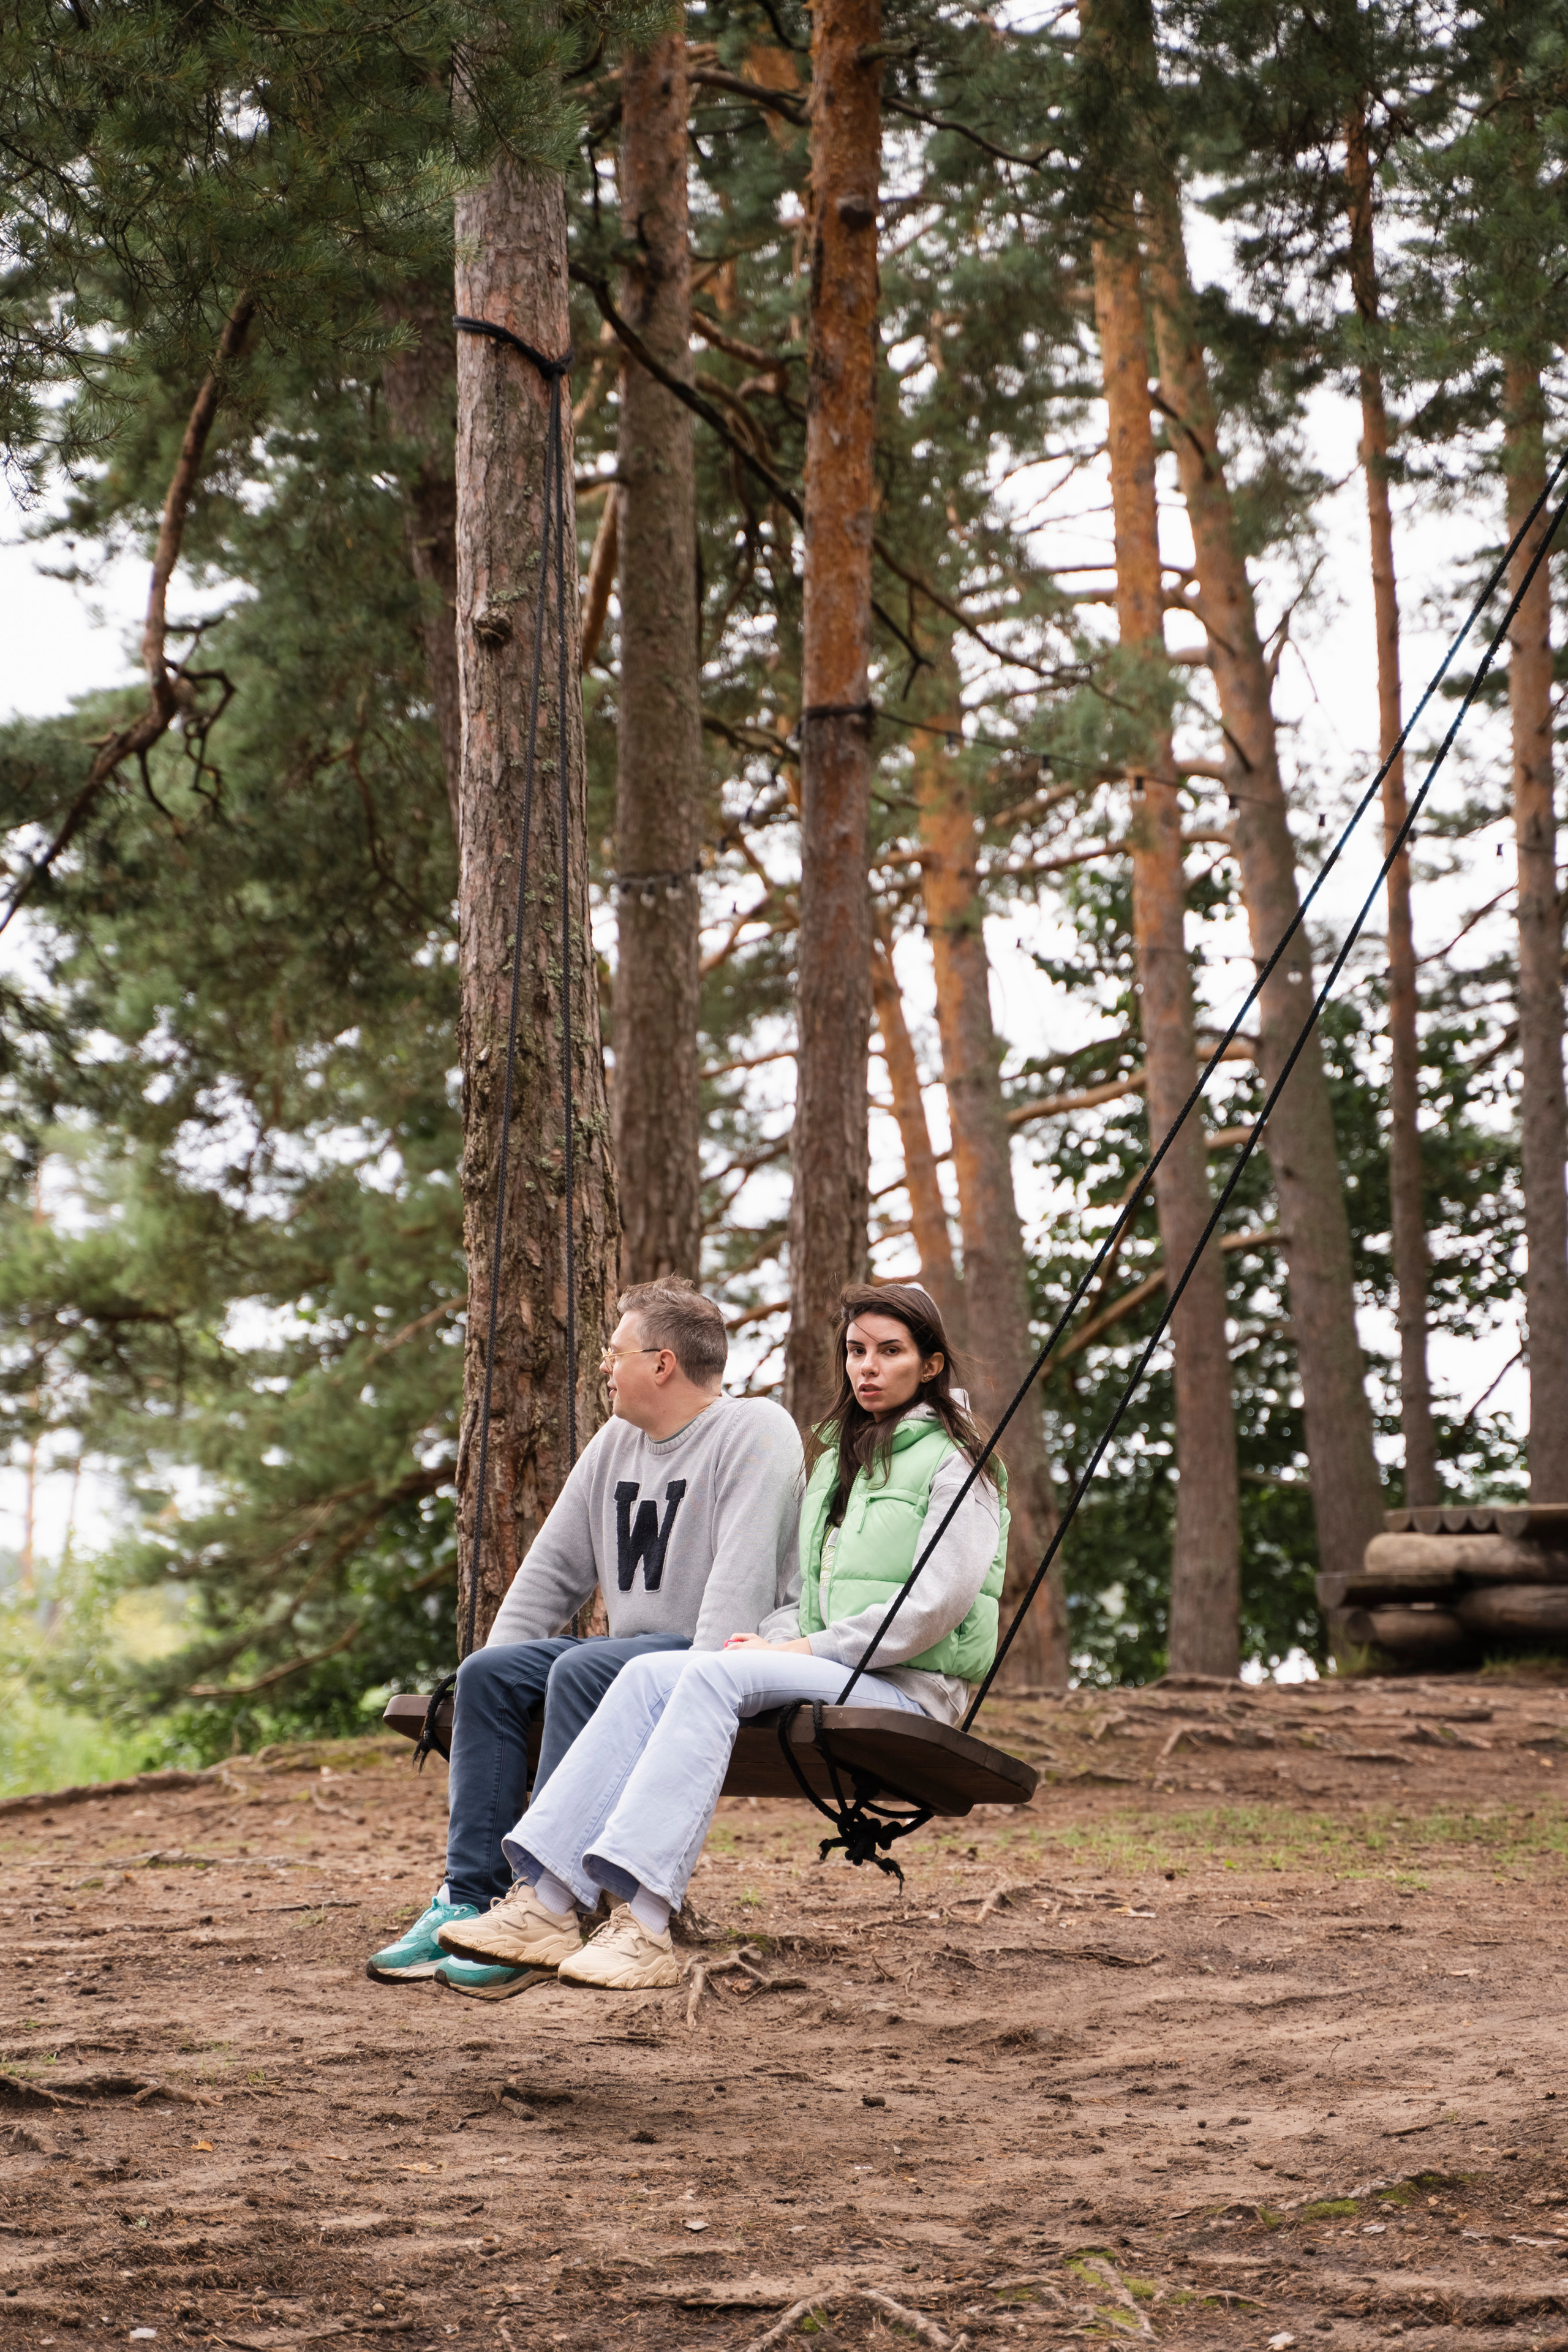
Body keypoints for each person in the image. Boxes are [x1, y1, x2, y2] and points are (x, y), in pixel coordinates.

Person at [491, 1281, 1008, 1992]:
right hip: (835, 1670)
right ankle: (548, 1903)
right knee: (649, 1673)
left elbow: (934, 1605)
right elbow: (802, 1594)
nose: (867, 1367)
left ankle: (645, 1924)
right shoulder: (840, 1463)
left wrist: (805, 1650)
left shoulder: (962, 1461)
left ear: (931, 1365)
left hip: (913, 1687)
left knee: (707, 1674)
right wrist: (773, 1639)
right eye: (856, 1351)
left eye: (890, 1352)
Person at [366, 1278, 803, 1994]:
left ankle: (547, 1905)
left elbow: (740, 1593)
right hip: (626, 1655)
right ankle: (470, 1900)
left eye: (615, 1351)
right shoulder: (615, 1443)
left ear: (661, 1363)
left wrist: (699, 1685)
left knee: (584, 1668)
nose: (604, 1365)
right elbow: (549, 1574)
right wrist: (500, 1676)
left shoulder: (754, 1429)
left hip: (714, 1655)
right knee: (488, 1675)